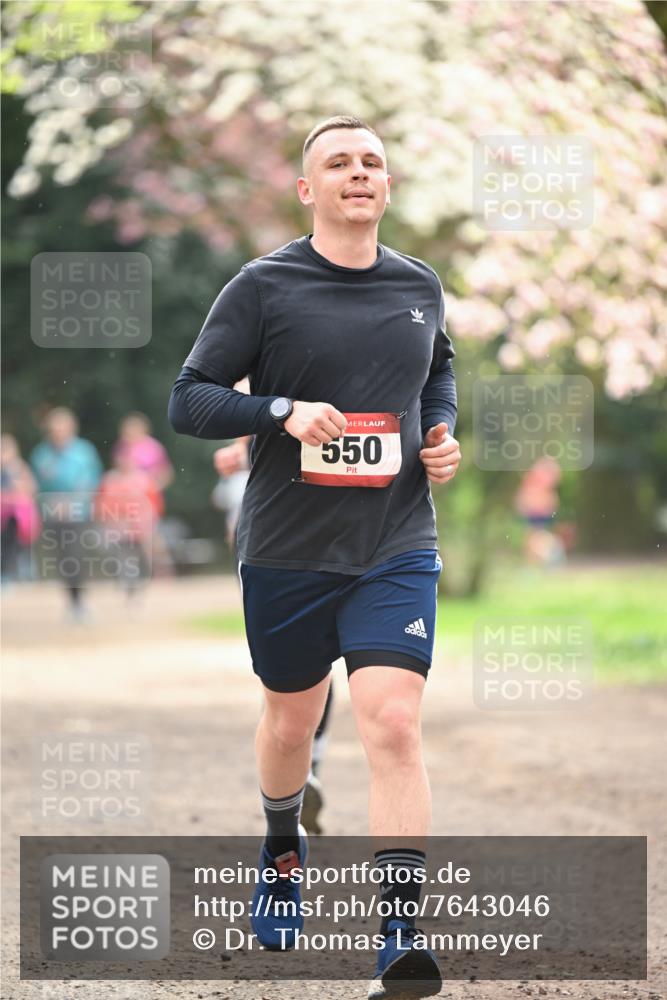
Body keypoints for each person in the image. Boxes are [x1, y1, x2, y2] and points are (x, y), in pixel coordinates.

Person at [168, 115, 460, 998]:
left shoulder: (419, 284)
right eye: (338, 163)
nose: (358, 172)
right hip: (288, 549)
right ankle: (281, 844)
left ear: (387, 183)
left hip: (393, 543)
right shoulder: (263, 286)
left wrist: (441, 430)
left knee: (393, 724)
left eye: (372, 161)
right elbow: (190, 400)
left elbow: (436, 370)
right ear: (309, 189)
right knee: (292, 724)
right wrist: (278, 412)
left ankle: (399, 936)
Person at [212, 380, 333, 836]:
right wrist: (240, 453)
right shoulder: (253, 366)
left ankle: (308, 763)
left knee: (314, 663)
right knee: (303, 670)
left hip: (327, 526)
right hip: (272, 536)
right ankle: (305, 761)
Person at [30, 407, 103, 622]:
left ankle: (79, 600)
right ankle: (73, 601)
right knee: (63, 559)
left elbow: (92, 482)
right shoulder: (41, 454)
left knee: (76, 556)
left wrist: (73, 502)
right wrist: (52, 502)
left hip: (79, 515)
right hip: (53, 516)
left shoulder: (84, 452)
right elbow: (37, 487)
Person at [0, 433, 40, 584]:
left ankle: (27, 575)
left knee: (23, 547)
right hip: (3, 519)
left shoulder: (20, 469)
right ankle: (7, 575)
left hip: (20, 519)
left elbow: (30, 489)